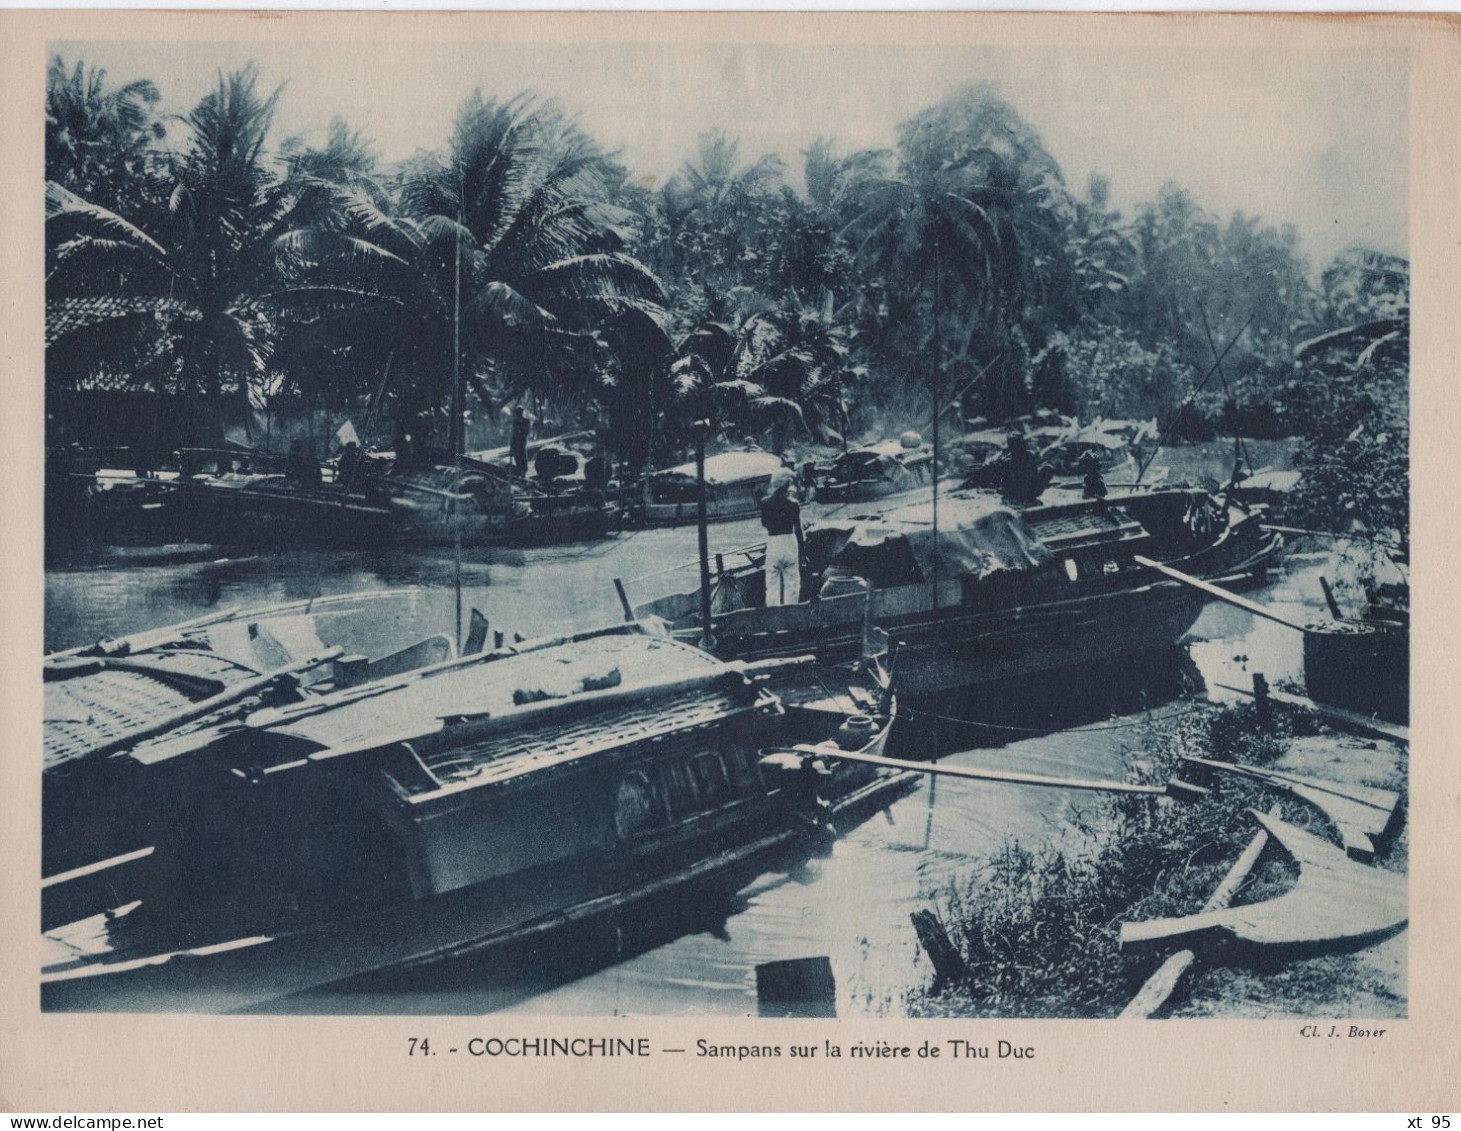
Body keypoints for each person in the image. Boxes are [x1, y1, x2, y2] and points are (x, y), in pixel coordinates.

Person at [760, 469, 805, 606]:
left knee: (772, 583)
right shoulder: (793, 504)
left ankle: (773, 618)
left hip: (774, 543)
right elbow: (798, 529)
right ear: (786, 485)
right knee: (792, 584)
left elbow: (764, 523)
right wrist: (802, 552)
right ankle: (790, 618)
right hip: (790, 543)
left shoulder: (765, 502)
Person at [997, 433, 1050, 505]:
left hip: (1017, 492)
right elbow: (1035, 475)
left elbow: (1004, 481)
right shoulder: (1030, 456)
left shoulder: (1008, 460)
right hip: (1029, 492)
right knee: (1047, 468)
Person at [509, 405, 531, 477]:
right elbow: (513, 433)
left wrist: (520, 433)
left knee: (523, 456)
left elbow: (526, 432)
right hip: (516, 441)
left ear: (522, 413)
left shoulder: (526, 421)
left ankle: (523, 471)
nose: (519, 414)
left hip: (522, 441)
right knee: (517, 457)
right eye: (517, 413)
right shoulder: (515, 421)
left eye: (520, 413)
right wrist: (511, 445)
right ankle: (520, 471)